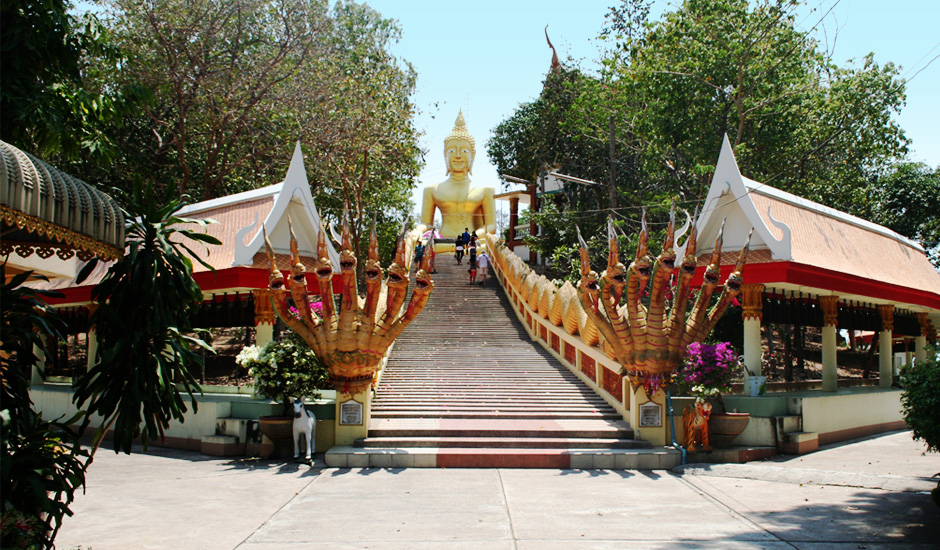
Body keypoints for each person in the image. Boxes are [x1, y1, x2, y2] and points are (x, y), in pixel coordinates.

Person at [416, 111, 497, 252]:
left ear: (473, 155)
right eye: (452, 151)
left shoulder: (485, 189)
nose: (458, 156)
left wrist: (474, 236)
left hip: (473, 243)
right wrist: (416, 231)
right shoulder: (432, 189)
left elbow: (491, 227)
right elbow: (426, 223)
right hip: (441, 241)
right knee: (422, 245)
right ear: (445, 155)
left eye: (464, 151)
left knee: (493, 246)